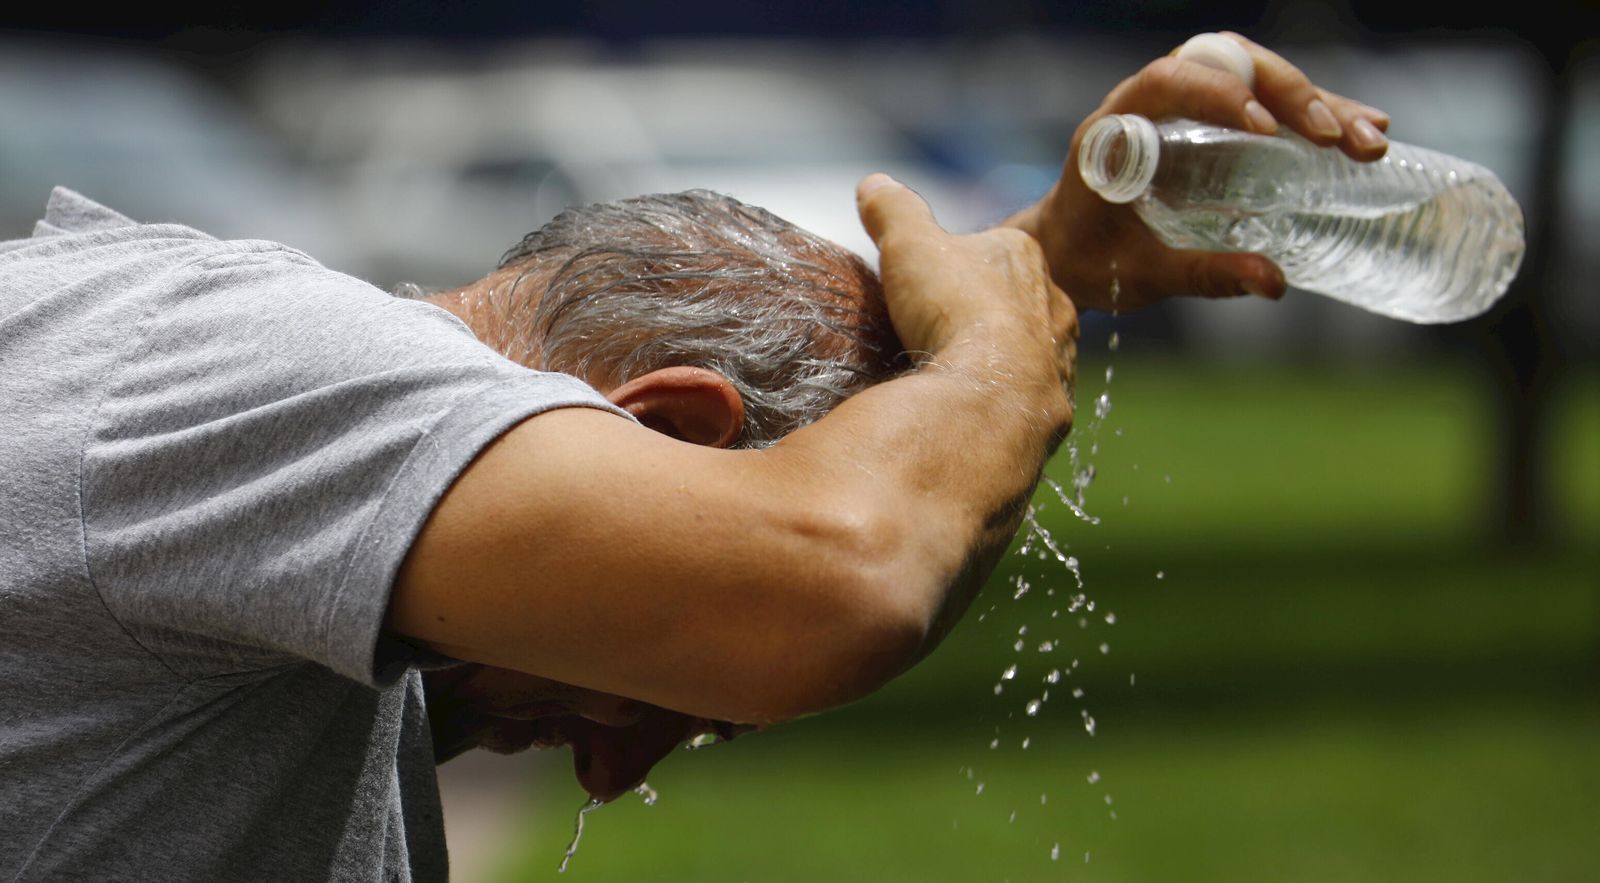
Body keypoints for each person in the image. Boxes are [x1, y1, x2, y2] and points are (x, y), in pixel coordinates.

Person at [0, 33, 1389, 882]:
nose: (617, 772)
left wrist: (1034, 275)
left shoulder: (263, 468)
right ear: (668, 435)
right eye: (677, 699)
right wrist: (989, 359)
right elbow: (831, 587)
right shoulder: (277, 367)